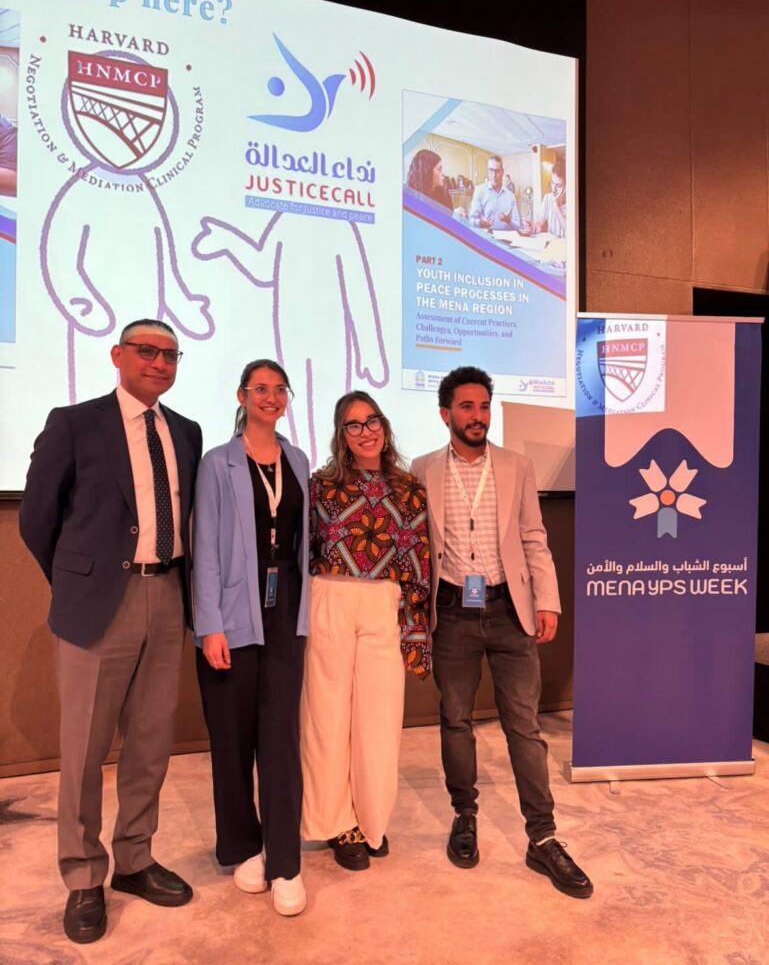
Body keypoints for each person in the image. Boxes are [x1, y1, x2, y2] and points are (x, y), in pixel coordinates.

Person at [19, 319, 201, 944]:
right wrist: (79, 581)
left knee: (150, 745)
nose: (158, 362)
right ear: (118, 355)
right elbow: (37, 519)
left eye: (169, 354)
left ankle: (134, 859)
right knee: (85, 751)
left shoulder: (185, 430)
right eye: (146, 351)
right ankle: (82, 876)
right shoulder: (73, 422)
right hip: (101, 603)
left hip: (167, 592)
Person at [410, 366, 592, 898]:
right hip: (451, 612)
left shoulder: (516, 466)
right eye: (466, 407)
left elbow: (535, 537)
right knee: (456, 720)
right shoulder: (421, 469)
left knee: (524, 728)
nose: (477, 416)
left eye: (484, 406)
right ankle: (464, 815)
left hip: (510, 610)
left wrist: (548, 601)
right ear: (445, 413)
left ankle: (543, 837)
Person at [193, 359, 309, 917]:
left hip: (286, 605)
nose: (270, 397)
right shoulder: (217, 463)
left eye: (278, 390)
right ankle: (243, 846)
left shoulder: (299, 459)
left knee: (282, 738)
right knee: (234, 737)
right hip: (232, 610)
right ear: (242, 395)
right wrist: (209, 623)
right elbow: (206, 549)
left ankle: (285, 860)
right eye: (259, 389)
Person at [301, 391, 430, 870]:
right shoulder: (320, 487)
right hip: (330, 597)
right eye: (353, 425)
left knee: (378, 722)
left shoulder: (409, 488)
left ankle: (373, 820)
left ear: (384, 425)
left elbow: (417, 563)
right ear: (341, 434)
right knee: (327, 721)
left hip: (384, 602)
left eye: (372, 420)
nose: (365, 431)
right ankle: (338, 824)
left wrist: (415, 630)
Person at [468, 155, 523, 230]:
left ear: (502, 172)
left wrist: (508, 220)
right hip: (486, 238)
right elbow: (471, 221)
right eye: (491, 170)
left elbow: (518, 226)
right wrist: (481, 223)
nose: (493, 175)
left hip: (507, 240)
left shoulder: (510, 196)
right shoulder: (479, 191)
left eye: (497, 171)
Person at [531, 161, 566, 238]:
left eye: (559, 186)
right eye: (552, 183)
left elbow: (569, 232)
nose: (554, 189)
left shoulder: (573, 202)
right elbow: (540, 222)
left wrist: (556, 206)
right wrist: (534, 226)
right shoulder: (547, 198)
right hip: (551, 245)